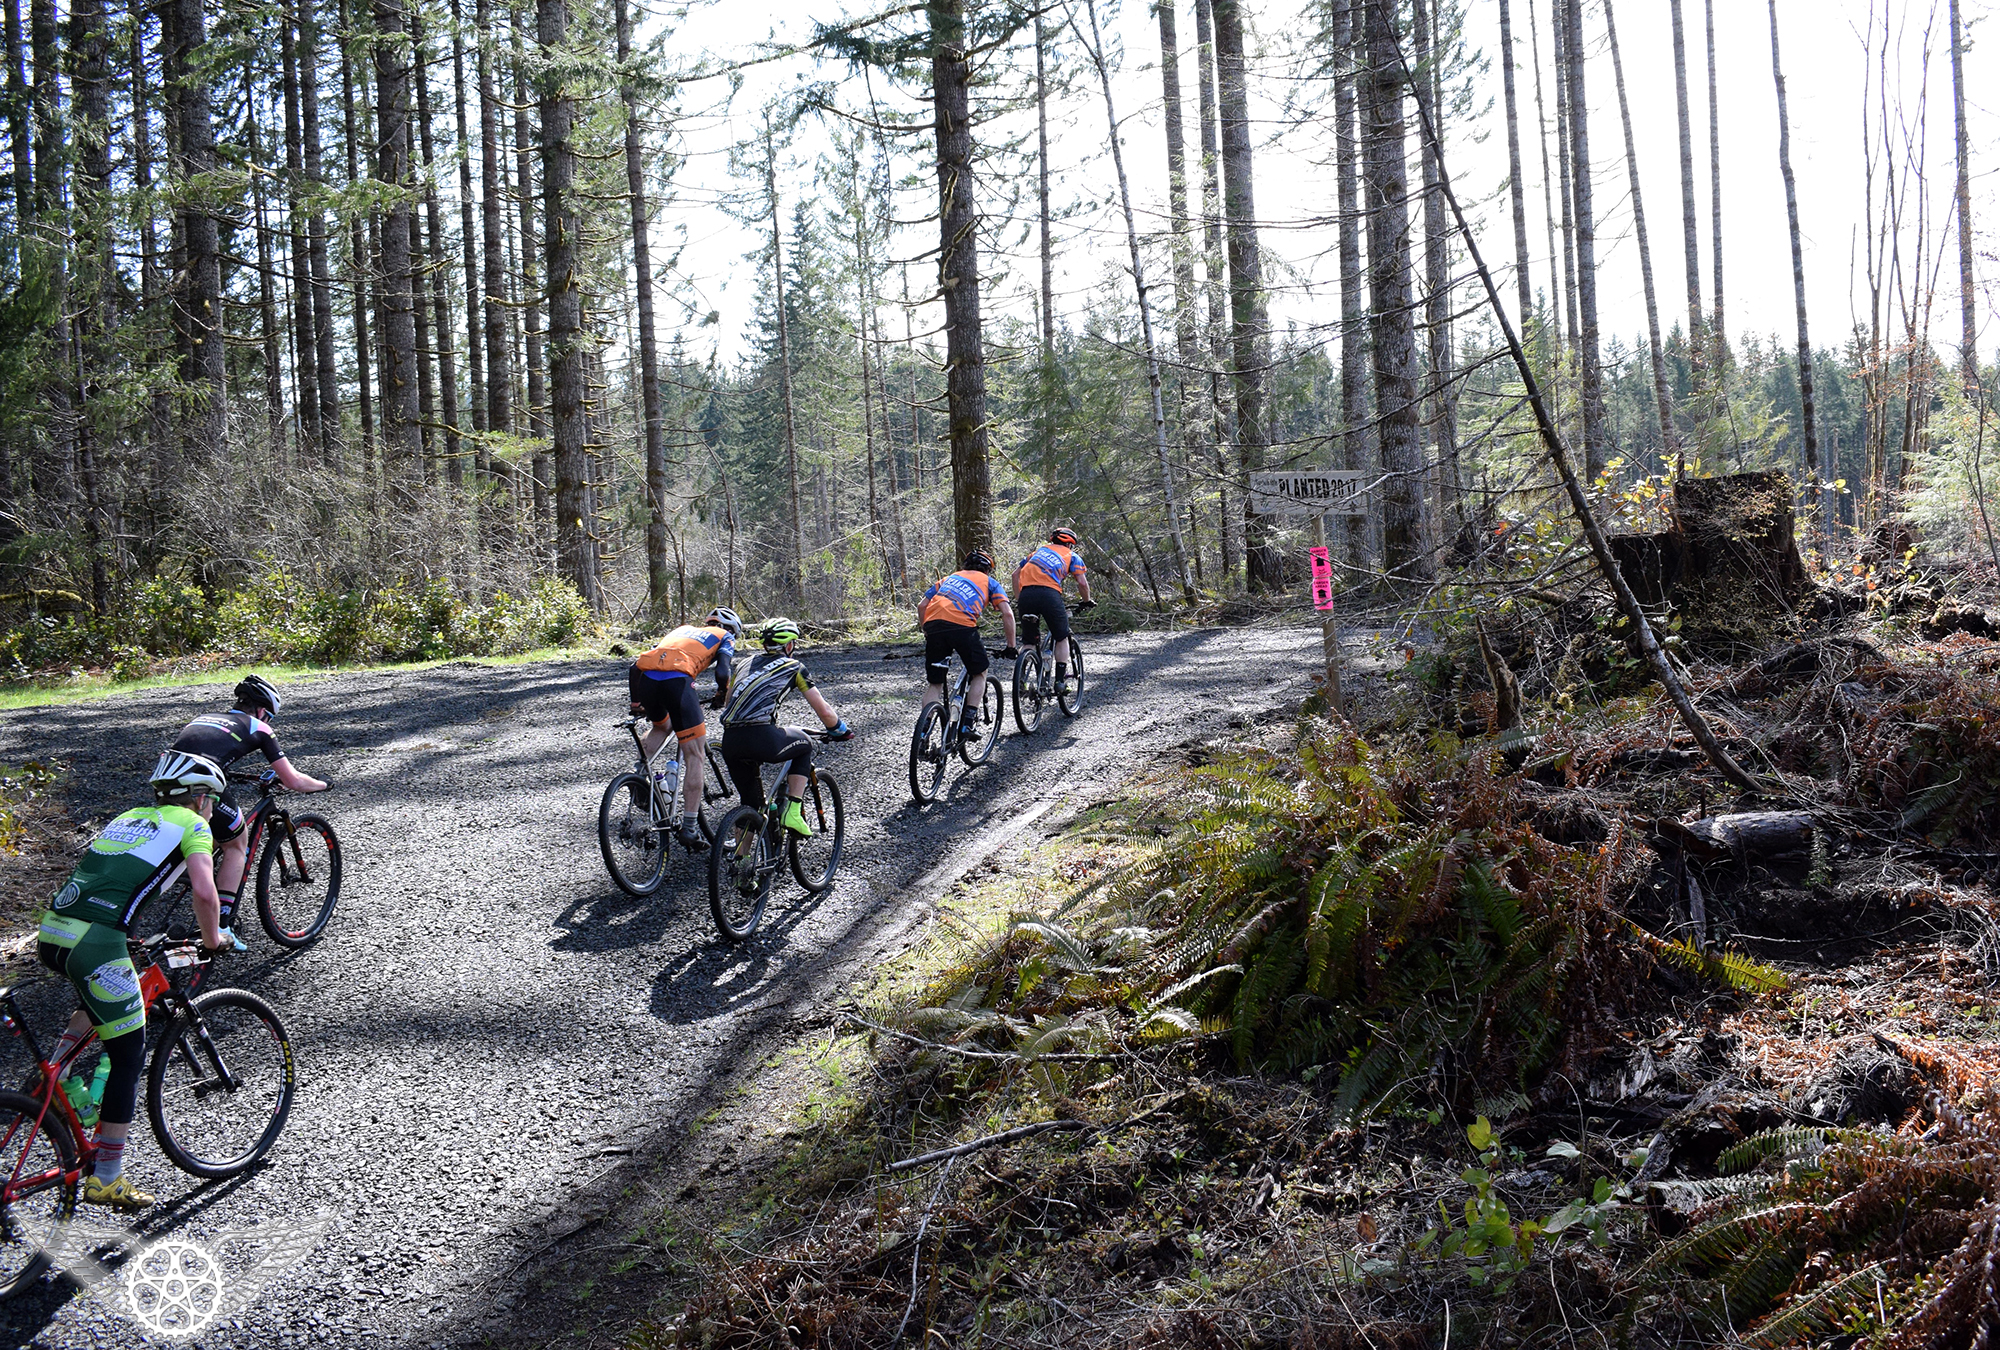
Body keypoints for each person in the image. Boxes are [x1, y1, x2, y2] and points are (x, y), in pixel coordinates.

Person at [38, 752, 235, 1210]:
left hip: (55, 931)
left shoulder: (130, 816)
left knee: (98, 998)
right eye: (211, 801)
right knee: (129, 1054)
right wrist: (214, 938)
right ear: (201, 798)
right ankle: (106, 1177)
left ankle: (55, 1077)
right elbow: (206, 893)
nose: (211, 809)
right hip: (95, 942)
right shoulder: (192, 824)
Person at [167, 674, 329, 949]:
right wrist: (324, 784)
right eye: (270, 718)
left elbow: (205, 750)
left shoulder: (204, 717)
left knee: (208, 833)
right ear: (264, 711)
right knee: (236, 844)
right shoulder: (260, 727)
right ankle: (223, 923)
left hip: (165, 779)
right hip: (200, 785)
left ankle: (182, 871)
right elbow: (293, 781)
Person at [719, 617, 853, 841]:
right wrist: (840, 730)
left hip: (730, 740)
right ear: (790, 645)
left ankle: (742, 867)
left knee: (750, 804)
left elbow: (729, 703)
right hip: (762, 737)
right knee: (804, 745)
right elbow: (825, 712)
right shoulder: (794, 667)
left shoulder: (743, 664)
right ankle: (792, 810)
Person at [629, 607, 741, 850]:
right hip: (677, 684)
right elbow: (723, 671)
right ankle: (689, 828)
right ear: (731, 629)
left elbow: (635, 667)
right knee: (695, 755)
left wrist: (636, 703)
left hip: (647, 681)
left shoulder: (681, 630)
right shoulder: (725, 636)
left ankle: (638, 777)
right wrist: (722, 693)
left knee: (663, 725)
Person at [917, 549, 1017, 741]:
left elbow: (922, 606)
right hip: (962, 627)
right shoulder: (990, 583)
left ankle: (923, 733)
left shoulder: (948, 579)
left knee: (935, 683)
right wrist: (1011, 646)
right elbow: (1007, 613)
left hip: (934, 625)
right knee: (979, 673)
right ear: (988, 570)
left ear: (965, 566)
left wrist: (927, 631)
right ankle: (967, 724)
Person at [1011, 527, 1095, 695]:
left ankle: (1021, 679)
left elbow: (1015, 575)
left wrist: (1021, 599)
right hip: (1049, 595)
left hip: (1026, 595)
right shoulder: (1071, 556)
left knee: (1029, 642)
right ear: (1070, 544)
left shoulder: (1036, 553)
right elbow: (1082, 583)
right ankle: (1059, 682)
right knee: (1061, 636)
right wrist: (1087, 601)